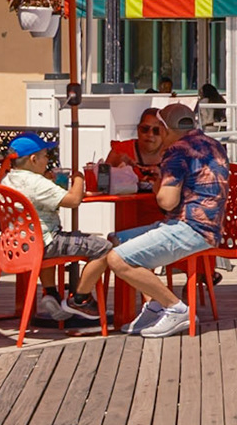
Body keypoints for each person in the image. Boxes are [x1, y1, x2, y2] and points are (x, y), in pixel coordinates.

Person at [73, 103, 228, 339]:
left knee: (117, 258)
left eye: (157, 129)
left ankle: (176, 309)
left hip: (190, 228)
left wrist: (161, 182)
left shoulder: (177, 151)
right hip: (209, 227)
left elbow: (166, 201)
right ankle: (155, 306)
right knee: (114, 241)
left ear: (165, 129)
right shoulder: (213, 144)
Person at [0, 133, 107, 327]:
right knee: (104, 248)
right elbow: (73, 200)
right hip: (45, 243)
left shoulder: (7, 180)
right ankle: (80, 299)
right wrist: (79, 178)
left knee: (49, 234)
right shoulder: (36, 183)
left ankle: (51, 293)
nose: (48, 161)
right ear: (33, 159)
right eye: (46, 156)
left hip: (19, 244)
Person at [106, 108, 168, 192]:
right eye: (145, 129)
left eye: (156, 131)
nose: (150, 134)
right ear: (138, 129)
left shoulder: (172, 153)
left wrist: (162, 178)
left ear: (164, 132)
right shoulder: (121, 150)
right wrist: (115, 170)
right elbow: (101, 184)